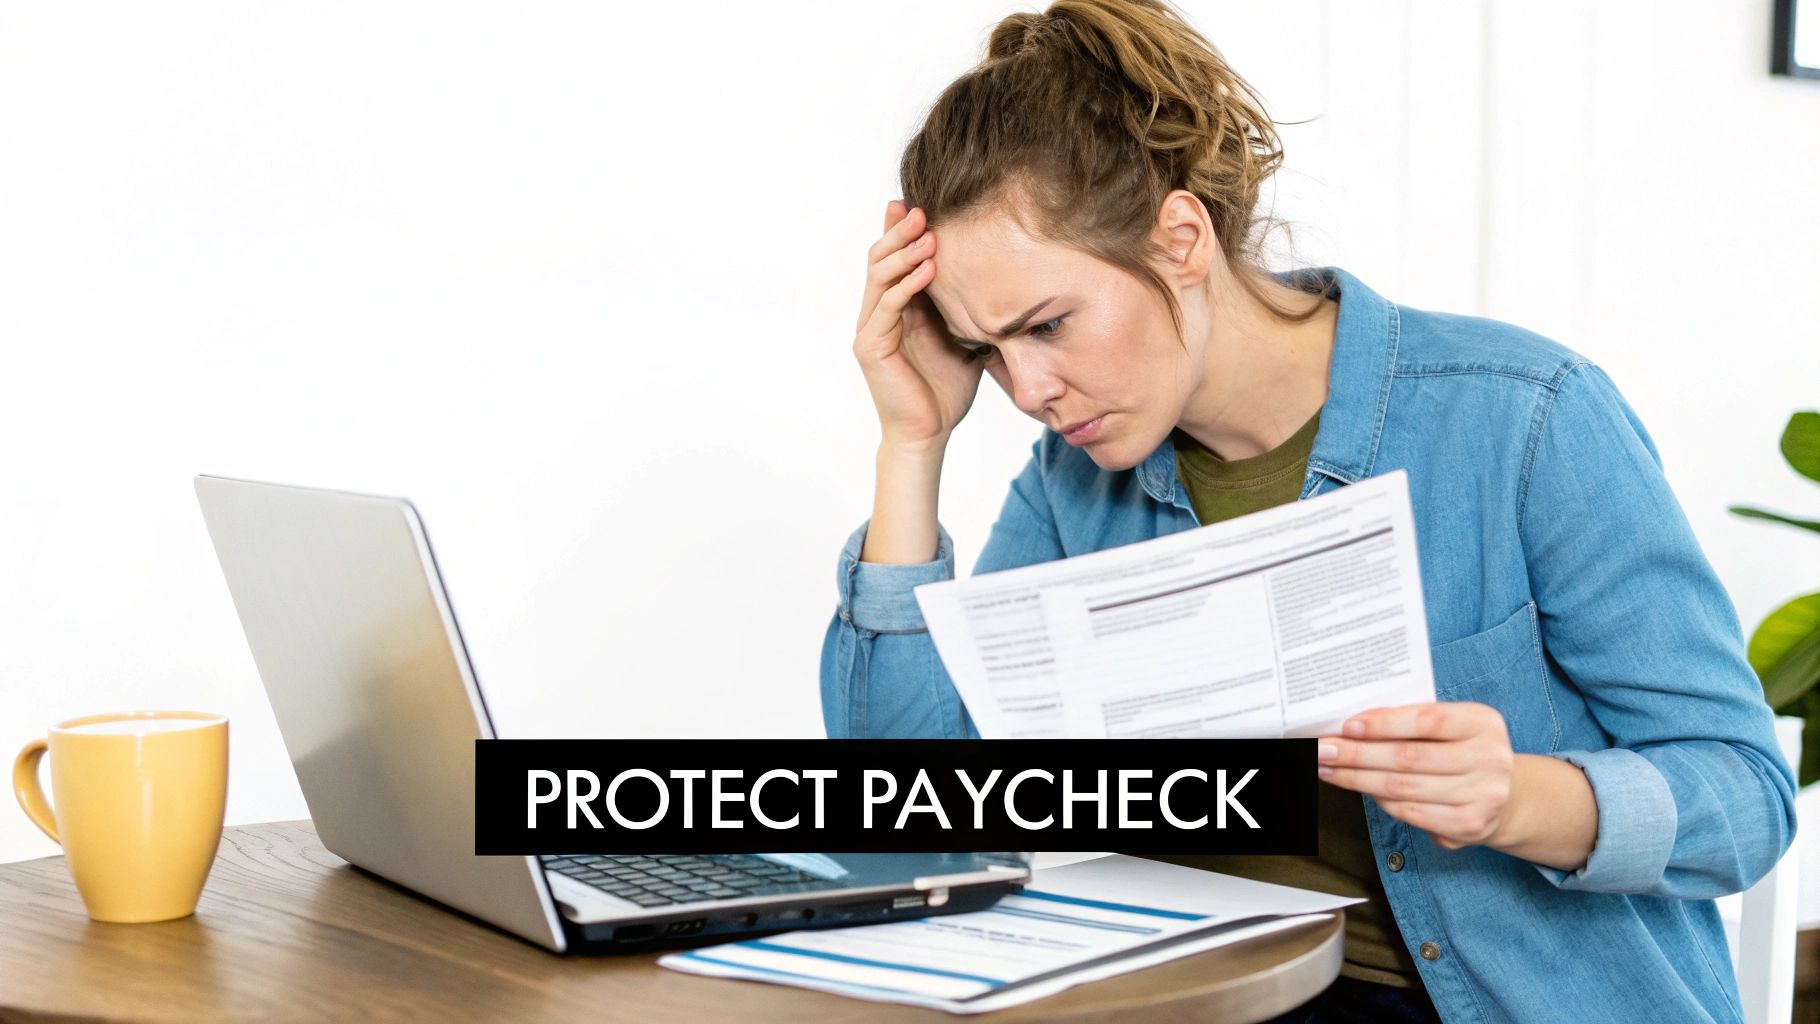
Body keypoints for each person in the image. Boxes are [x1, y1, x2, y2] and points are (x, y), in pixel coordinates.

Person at [817, 1, 1797, 1021]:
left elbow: (1742, 797)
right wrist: (912, 442)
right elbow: (908, 814)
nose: (1026, 388)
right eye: (988, 350)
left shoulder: (1523, 420)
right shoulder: (1074, 485)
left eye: (1049, 325)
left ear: (1180, 236)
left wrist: (1518, 797)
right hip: (1216, 998)